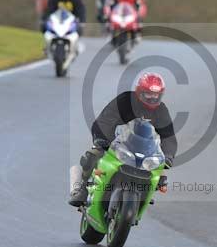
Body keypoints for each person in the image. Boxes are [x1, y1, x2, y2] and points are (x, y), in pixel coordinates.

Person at [69, 72, 177, 207]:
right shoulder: (125, 101)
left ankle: (145, 195)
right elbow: (104, 121)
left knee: (161, 176)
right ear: (139, 91)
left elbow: (168, 136)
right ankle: (82, 189)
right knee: (93, 155)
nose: (152, 98)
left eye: (156, 95)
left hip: (144, 151)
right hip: (116, 144)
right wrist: (102, 140)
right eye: (148, 94)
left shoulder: (161, 110)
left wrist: (168, 156)